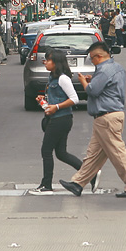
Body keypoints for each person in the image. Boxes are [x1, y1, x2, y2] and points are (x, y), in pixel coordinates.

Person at [60, 41, 126, 198]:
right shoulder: (117, 68)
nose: (92, 62)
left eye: (92, 59)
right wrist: (94, 80)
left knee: (118, 153)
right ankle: (78, 183)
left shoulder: (104, 71)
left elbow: (93, 90)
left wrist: (84, 82)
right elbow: (105, 88)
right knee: (93, 154)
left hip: (106, 117)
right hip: (109, 116)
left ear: (99, 56)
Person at [29, 49, 85, 193]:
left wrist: (57, 107)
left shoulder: (63, 78)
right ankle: (89, 173)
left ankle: (46, 185)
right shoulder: (52, 77)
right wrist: (44, 101)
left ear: (56, 63)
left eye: (48, 60)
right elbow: (55, 100)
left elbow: (74, 98)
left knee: (46, 150)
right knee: (61, 153)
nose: (45, 62)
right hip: (57, 118)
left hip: (61, 119)